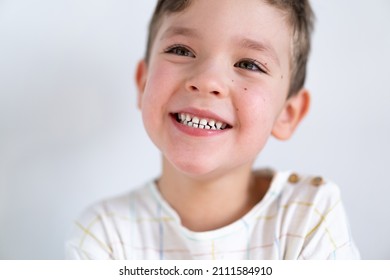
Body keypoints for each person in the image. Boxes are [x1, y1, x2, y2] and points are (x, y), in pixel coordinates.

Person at [66, 0, 360, 259]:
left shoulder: (308, 216)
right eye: (181, 50)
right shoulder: (103, 235)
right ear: (143, 84)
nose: (207, 80)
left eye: (249, 64)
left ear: (287, 114)